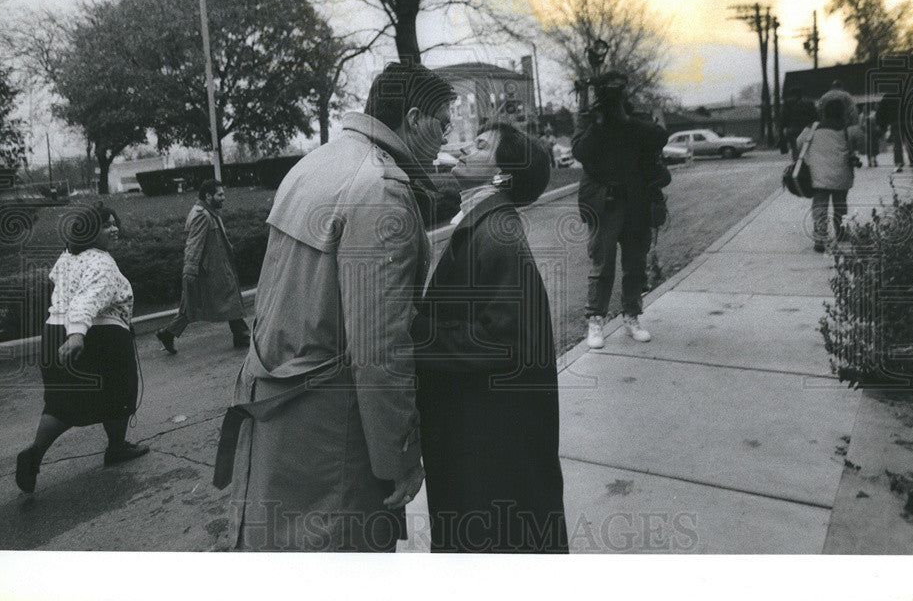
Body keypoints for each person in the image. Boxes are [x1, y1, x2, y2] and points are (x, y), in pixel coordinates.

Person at [214, 62, 456, 552]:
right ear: (413, 118)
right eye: (443, 124)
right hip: (333, 432)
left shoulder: (317, 162)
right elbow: (380, 347)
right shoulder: (382, 189)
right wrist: (400, 457)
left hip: (281, 407)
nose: (446, 138)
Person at [413, 123, 568, 553]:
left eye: (481, 145)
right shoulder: (486, 223)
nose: (462, 146)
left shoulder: (498, 234)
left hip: (487, 451)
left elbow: (505, 341)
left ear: (503, 174)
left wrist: (408, 337)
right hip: (482, 440)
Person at [15, 204, 148, 494]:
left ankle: (35, 453)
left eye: (115, 223)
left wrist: (68, 328)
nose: (114, 229)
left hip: (53, 331)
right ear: (90, 231)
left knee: (61, 403)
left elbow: (55, 281)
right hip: (97, 334)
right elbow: (85, 301)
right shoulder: (102, 262)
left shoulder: (67, 256)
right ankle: (116, 448)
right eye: (106, 226)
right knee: (119, 391)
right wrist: (76, 336)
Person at [572, 82, 669, 348]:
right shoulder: (590, 123)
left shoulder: (633, 123)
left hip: (636, 203)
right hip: (605, 205)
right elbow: (580, 151)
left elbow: (660, 137)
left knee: (635, 265)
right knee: (602, 265)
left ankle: (632, 316)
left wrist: (625, 120)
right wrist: (599, 122)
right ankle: (596, 320)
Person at [156, 180, 250, 354]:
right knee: (213, 301)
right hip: (210, 271)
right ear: (208, 196)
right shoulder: (202, 215)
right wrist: (190, 271)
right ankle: (242, 335)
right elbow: (193, 245)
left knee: (196, 304)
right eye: (219, 194)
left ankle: (168, 333)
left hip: (216, 268)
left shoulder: (209, 213)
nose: (223, 198)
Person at [796, 97, 865, 253]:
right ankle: (840, 232)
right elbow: (861, 141)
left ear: (823, 112)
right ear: (843, 112)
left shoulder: (812, 128)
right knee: (840, 204)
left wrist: (812, 154)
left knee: (820, 205)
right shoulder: (849, 128)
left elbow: (799, 142)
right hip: (842, 175)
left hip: (818, 175)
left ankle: (820, 236)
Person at [782, 90, 818, 161]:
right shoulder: (809, 103)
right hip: (807, 129)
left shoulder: (787, 103)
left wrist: (784, 127)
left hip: (793, 129)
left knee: (795, 148)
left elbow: (784, 116)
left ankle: (796, 164)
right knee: (808, 148)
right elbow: (815, 116)